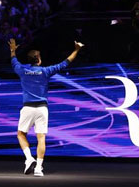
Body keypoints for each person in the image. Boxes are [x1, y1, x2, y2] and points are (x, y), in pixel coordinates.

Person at [8, 38, 84, 177]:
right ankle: (38, 168)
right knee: (41, 137)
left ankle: (29, 158)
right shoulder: (45, 71)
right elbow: (65, 63)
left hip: (28, 108)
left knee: (20, 134)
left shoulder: (22, 70)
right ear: (39, 59)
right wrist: (76, 50)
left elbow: (14, 60)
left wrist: (13, 50)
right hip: (42, 109)